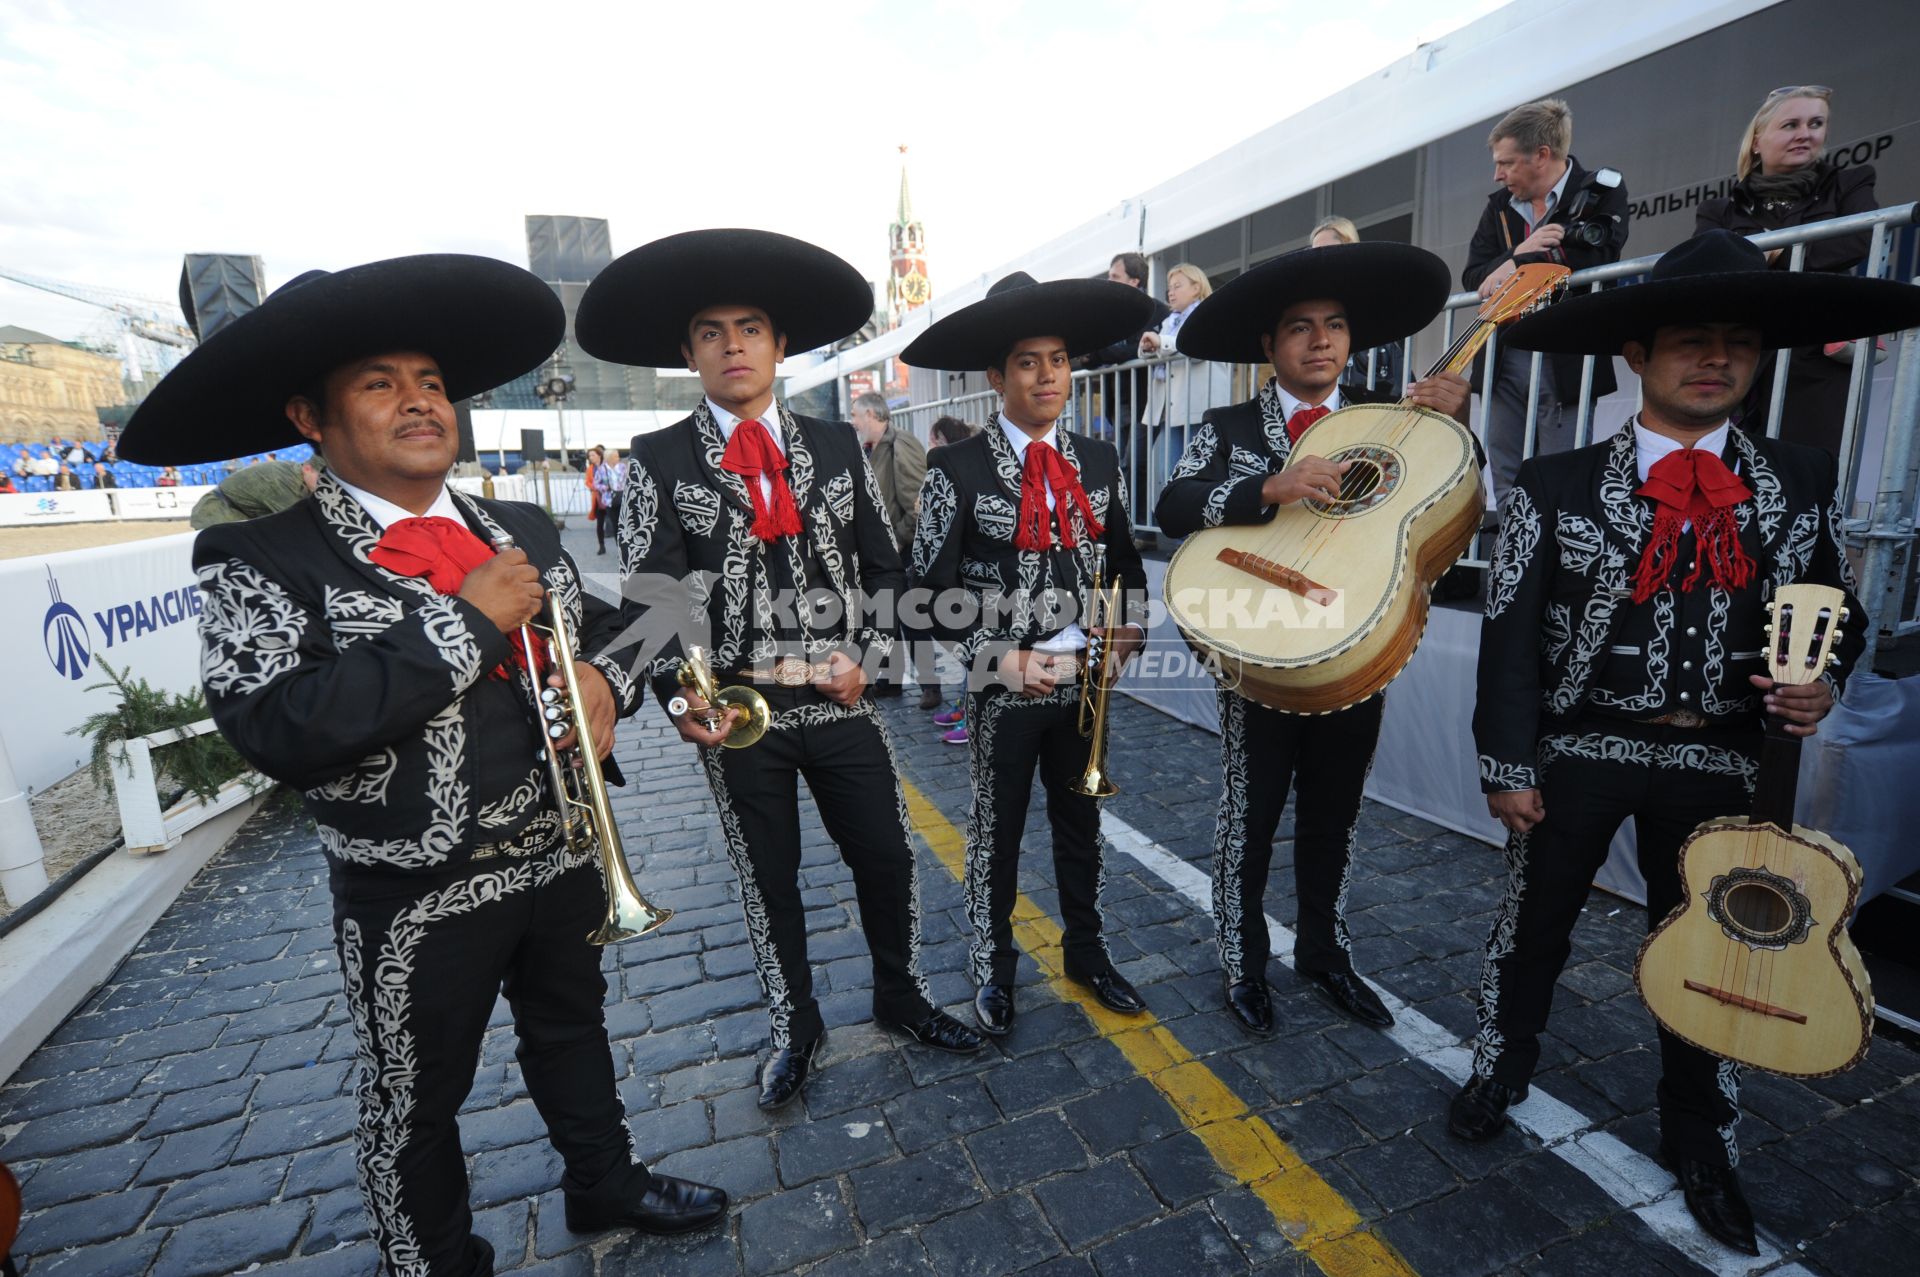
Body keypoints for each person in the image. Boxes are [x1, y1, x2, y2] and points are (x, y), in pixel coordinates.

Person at [117, 253, 728, 1277]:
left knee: (574, 1030)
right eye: (379, 383)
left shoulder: (519, 526)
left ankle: (605, 1178)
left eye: (432, 382)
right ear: (311, 416)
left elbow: (638, 620)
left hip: (560, 847)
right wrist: (467, 621)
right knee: (414, 1093)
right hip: (414, 890)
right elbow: (275, 722)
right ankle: (430, 1258)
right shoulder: (262, 556)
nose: (418, 402)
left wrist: (609, 681)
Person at [1456, 229, 1919, 1256]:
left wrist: (1825, 677)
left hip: (1726, 757)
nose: (1716, 358)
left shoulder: (1796, 476)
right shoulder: (1555, 477)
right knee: (1533, 926)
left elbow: (1833, 601)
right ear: (1636, 353)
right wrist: (1507, 761)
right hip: (1582, 746)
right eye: (1690, 340)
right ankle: (1501, 1059)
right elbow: (1511, 637)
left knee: (1718, 949)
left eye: (1738, 342)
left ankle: (1700, 1131)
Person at [579, 228, 983, 1112]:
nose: (734, 345)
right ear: (689, 353)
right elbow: (658, 598)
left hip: (838, 700)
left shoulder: (839, 447)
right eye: (713, 332)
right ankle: (793, 1026)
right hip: (741, 712)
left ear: (779, 345)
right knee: (769, 881)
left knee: (886, 855)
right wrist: (684, 698)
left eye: (751, 327)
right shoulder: (657, 459)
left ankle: (901, 995)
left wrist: (867, 658)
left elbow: (885, 569)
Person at [1155, 242, 1470, 1035]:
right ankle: (1243, 958)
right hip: (1258, 640)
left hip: (1354, 633)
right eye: (1300, 327)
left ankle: (1326, 953)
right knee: (1251, 813)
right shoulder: (1229, 424)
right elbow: (1173, 502)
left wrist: (1453, 434)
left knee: (1335, 811)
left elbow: (1443, 504)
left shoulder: (1393, 422)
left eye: (1335, 325)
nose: (1321, 340)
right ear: (1269, 345)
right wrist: (1267, 485)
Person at [902, 270, 1154, 1037]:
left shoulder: (1102, 460)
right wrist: (995, 658)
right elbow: (922, 591)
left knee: (1083, 825)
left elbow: (1125, 564)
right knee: (998, 830)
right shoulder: (957, 468)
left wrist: (1130, 629)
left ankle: (1087, 950)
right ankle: (994, 965)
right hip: (1007, 687)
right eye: (1027, 361)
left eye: (1058, 360)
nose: (1047, 375)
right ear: (996, 376)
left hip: (1084, 683)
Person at [1464, 98, 1630, 510]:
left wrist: (1512, 268)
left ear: (1542, 155)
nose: (1498, 174)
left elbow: (1596, 259)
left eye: (1506, 163)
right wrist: (1520, 255)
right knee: (1505, 469)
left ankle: (1556, 565)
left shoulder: (1601, 188)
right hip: (1507, 354)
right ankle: (1509, 556)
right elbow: (1474, 278)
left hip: (1567, 353)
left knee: (1564, 469)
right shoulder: (1498, 206)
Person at [1697, 85, 1880, 456]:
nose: (1805, 134)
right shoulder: (1718, 209)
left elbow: (1859, 241)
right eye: (1790, 124)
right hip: (1739, 357)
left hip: (1816, 358)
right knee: (1732, 477)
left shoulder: (1849, 183)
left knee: (1809, 472)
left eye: (1816, 123)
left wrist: (1777, 255)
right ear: (1757, 141)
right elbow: (1707, 268)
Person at [851, 391, 933, 702]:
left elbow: (917, 501)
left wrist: (898, 539)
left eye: (856, 414)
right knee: (886, 618)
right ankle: (891, 679)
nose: (853, 421)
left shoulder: (901, 443)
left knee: (913, 620)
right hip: (884, 551)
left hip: (903, 547)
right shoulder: (872, 449)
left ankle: (930, 686)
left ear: (872, 415)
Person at [1080, 252, 1171, 505]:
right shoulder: (1112, 315)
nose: (1109, 281)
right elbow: (1099, 356)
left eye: (1114, 276)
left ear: (1134, 281)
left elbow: (1134, 350)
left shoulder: (1156, 310)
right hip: (1118, 402)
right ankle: (1128, 526)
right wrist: (1091, 357)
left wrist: (1101, 351)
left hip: (1146, 401)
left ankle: (1140, 529)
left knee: (1134, 464)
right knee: (1121, 465)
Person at [1138, 263, 1234, 504]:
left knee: (1197, 471)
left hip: (1198, 409)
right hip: (1174, 409)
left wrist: (1160, 342)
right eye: (1169, 288)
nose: (1171, 292)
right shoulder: (1171, 322)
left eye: (1178, 286)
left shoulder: (1208, 313)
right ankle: (1179, 528)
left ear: (1196, 287)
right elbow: (1160, 349)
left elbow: (1196, 346)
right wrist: (1151, 345)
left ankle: (1195, 527)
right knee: (1168, 471)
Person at [924, 415, 979, 739]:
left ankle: (969, 719)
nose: (929, 447)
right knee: (970, 652)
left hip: (972, 582)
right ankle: (965, 707)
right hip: (958, 581)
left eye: (933, 440)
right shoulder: (948, 469)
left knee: (978, 653)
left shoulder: (961, 470)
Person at [1309, 217, 1404, 395]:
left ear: (1350, 251)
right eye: (1315, 254)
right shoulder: (1309, 304)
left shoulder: (1373, 302)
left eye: (1327, 252)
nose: (1321, 260)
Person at [188, 457, 323, 529]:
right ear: (307, 468)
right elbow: (297, 526)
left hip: (239, 517)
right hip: (217, 514)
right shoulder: (282, 480)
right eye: (322, 478)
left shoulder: (300, 479)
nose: (327, 483)